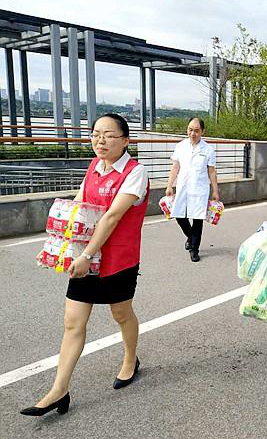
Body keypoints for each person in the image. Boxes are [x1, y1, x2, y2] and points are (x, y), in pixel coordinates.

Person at [21, 114, 149, 417]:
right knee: (73, 322)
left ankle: (131, 358)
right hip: (85, 261)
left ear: (126, 140)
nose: (100, 140)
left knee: (121, 313)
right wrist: (58, 250)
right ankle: (59, 390)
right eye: (95, 134)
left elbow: (112, 217)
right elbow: (77, 211)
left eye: (108, 135)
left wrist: (86, 255)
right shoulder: (93, 167)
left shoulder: (135, 172)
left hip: (117, 260)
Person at [166, 117, 219, 262]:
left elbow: (212, 171)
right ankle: (190, 236)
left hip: (200, 188)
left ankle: (195, 249)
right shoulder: (180, 146)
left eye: (196, 130)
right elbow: (175, 167)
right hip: (183, 187)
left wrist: (215, 191)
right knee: (179, 215)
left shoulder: (208, 149)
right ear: (187, 129)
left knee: (197, 219)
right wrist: (169, 185)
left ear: (202, 131)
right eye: (190, 130)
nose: (193, 133)